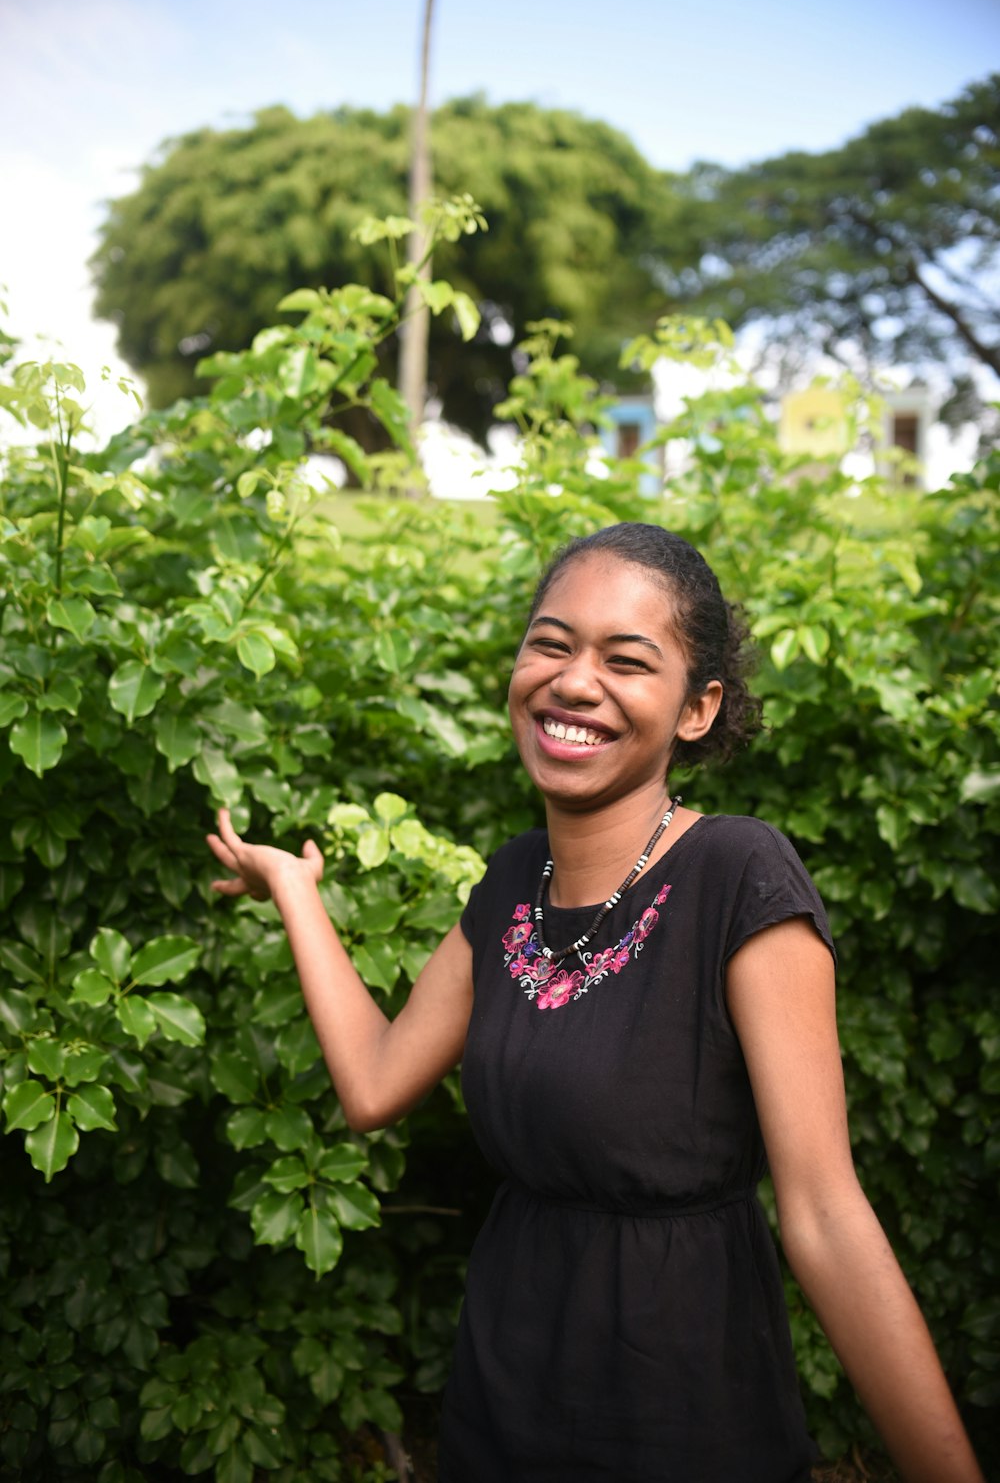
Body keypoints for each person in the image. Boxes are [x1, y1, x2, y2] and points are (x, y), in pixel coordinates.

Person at [207, 523, 983, 1483]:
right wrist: (293, 888)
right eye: (550, 642)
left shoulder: (738, 877)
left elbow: (824, 1215)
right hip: (505, 1399)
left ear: (697, 709)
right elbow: (372, 1084)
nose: (574, 682)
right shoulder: (511, 884)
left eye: (626, 660)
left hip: (683, 1415)